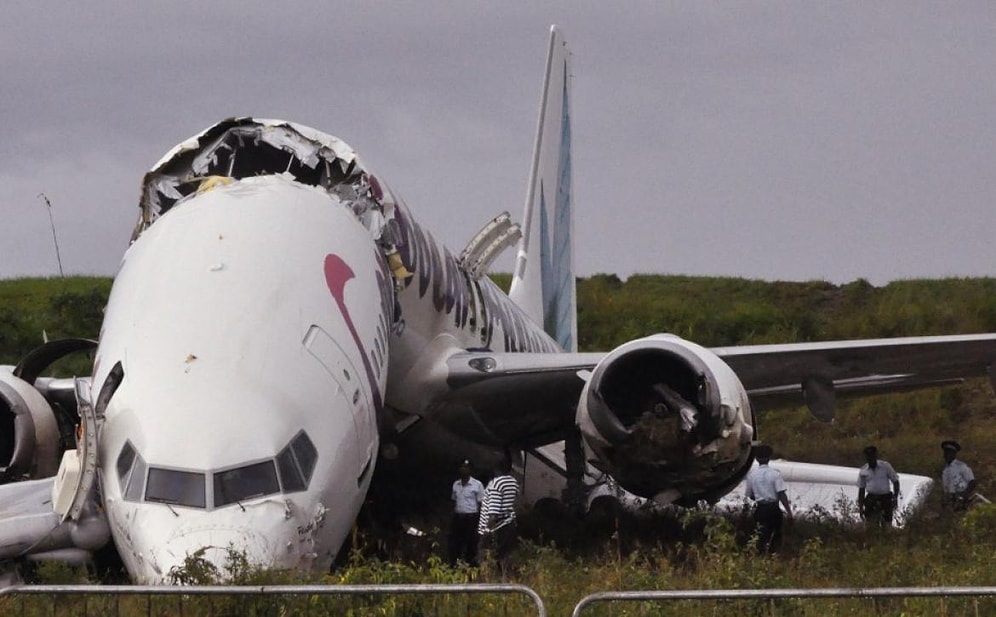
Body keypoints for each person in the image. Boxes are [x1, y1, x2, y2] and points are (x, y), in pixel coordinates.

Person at [744, 444, 793, 554]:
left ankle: (760, 555)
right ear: (769, 458)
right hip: (773, 508)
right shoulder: (775, 474)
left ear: (756, 459)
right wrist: (789, 512)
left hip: (761, 509)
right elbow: (781, 494)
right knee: (776, 533)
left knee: (761, 535)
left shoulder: (752, 475)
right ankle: (773, 555)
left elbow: (750, 495)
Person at [478, 454, 519, 577]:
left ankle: (492, 584)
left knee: (488, 558)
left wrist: (486, 531)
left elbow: (493, 512)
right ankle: (506, 582)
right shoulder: (513, 482)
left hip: (496, 526)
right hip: (509, 522)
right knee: (505, 556)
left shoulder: (496, 484)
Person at [448, 459, 484, 567]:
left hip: (471, 518)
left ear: (470, 470)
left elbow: (481, 503)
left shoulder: (477, 485)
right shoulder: (456, 484)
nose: (464, 469)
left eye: (466, 467)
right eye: (462, 467)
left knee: (471, 544)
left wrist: (481, 521)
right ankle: (455, 565)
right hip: (458, 518)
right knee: (456, 543)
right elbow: (453, 501)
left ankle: (471, 567)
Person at [857, 445, 901, 527]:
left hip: (885, 498)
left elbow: (895, 481)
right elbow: (861, 489)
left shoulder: (885, 466)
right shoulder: (863, 470)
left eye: (872, 455)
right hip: (871, 499)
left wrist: (895, 497)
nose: (870, 458)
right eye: (868, 456)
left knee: (887, 524)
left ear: (875, 455)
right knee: (871, 525)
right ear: (866, 457)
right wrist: (860, 507)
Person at [941, 440, 977, 511]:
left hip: (964, 499)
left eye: (949, 453)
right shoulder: (945, 471)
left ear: (954, 454)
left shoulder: (961, 466)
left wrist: (964, 494)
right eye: (945, 452)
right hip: (953, 502)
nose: (946, 455)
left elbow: (973, 482)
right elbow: (946, 489)